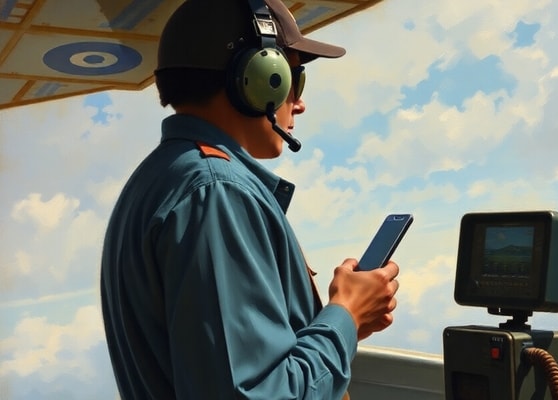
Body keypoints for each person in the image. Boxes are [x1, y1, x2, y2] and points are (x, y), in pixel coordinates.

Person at [100, 0, 400, 399]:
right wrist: (346, 314)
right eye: (295, 79)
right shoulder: (215, 194)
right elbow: (259, 392)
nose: (300, 102)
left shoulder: (162, 178)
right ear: (261, 77)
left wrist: (346, 321)